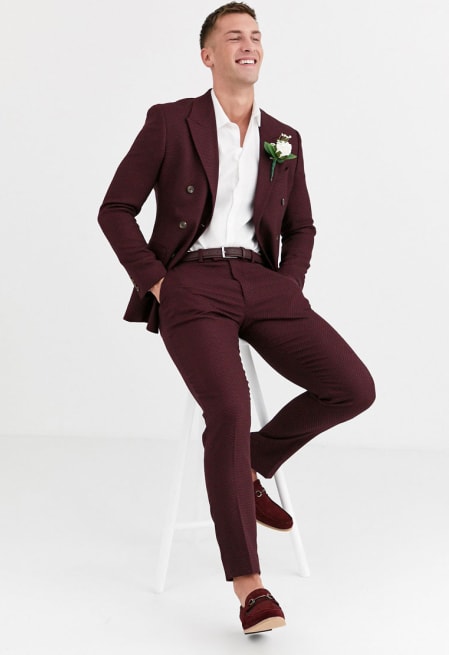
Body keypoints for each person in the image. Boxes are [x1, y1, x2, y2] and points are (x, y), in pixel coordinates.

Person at [97, 2, 375, 635]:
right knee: (227, 407)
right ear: (208, 55)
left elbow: (302, 226)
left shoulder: (284, 137)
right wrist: (159, 282)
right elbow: (115, 209)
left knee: (353, 387)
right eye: (233, 37)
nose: (248, 44)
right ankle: (251, 587)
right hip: (191, 282)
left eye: (255, 35)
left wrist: (288, 286)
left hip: (262, 281)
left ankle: (246, 464)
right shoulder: (170, 121)